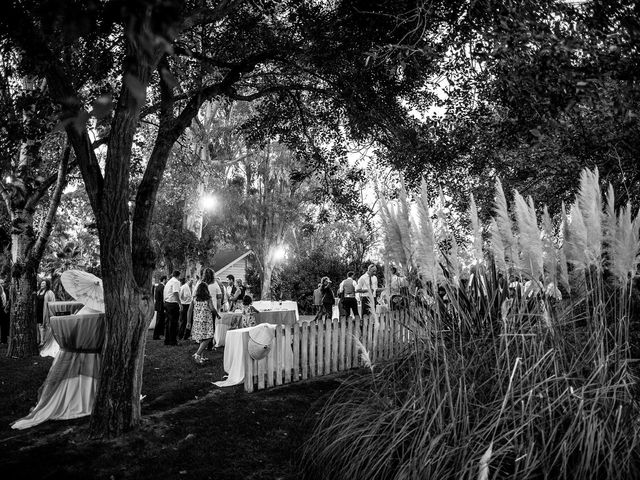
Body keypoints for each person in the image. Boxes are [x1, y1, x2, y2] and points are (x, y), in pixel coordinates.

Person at [188, 282, 218, 364]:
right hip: (206, 320)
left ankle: (202, 357)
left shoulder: (194, 298)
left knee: (202, 338)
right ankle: (197, 354)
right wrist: (217, 315)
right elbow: (212, 309)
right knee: (209, 337)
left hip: (197, 321)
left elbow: (190, 310)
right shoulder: (208, 299)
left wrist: (188, 322)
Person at [163, 270, 181, 346]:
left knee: (168, 322)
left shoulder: (169, 282)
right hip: (173, 303)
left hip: (167, 303)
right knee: (174, 323)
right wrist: (180, 303)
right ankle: (173, 341)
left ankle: (167, 340)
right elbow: (175, 292)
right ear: (178, 275)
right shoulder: (176, 282)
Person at [35, 279, 56, 345]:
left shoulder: (50, 292)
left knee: (44, 326)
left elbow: (53, 302)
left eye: (43, 283)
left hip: (45, 311)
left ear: (47, 285)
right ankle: (40, 340)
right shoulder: (38, 292)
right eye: (41, 283)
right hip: (38, 311)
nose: (41, 284)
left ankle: (44, 341)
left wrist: (51, 312)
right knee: (39, 326)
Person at [152, 275, 166, 340]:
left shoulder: (157, 286)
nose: (166, 281)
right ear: (164, 280)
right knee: (159, 321)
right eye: (166, 279)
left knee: (159, 320)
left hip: (158, 305)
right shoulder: (162, 287)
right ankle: (156, 335)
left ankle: (158, 334)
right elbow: (163, 297)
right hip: (161, 306)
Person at [0, 278, 9, 344]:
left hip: (5, 311)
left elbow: (8, 299)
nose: (2, 284)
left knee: (4, 326)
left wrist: (6, 307)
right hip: (0, 309)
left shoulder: (6, 291)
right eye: (0, 283)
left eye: (3, 283)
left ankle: (4, 340)